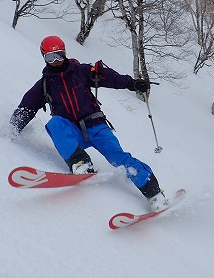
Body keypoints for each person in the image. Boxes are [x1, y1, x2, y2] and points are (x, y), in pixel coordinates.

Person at [10, 35, 169, 211]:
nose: (56, 61)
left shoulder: (81, 71)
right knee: (55, 123)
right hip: (73, 132)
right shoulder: (45, 85)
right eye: (50, 57)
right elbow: (27, 106)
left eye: (59, 55)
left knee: (118, 157)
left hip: (96, 126)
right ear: (44, 57)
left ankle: (154, 194)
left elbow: (109, 77)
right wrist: (11, 128)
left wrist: (132, 83)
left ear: (65, 53)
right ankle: (81, 163)